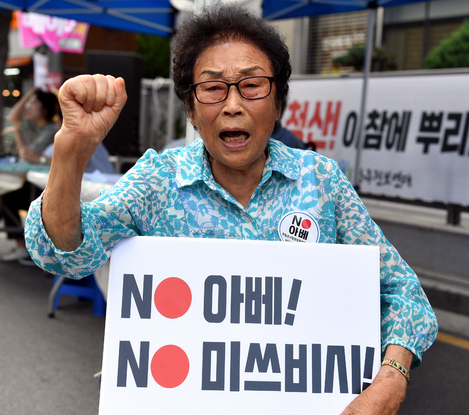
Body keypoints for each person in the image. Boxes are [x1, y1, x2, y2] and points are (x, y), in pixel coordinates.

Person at [24, 4, 437, 414]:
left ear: (278, 105)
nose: (233, 105)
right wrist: (72, 148)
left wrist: (392, 376)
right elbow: (66, 253)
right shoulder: (157, 179)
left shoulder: (321, 181)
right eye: (213, 87)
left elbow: (403, 292)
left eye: (252, 85)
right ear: (191, 108)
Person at [0, 88, 59, 263]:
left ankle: (23, 247)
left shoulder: (51, 131)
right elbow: (13, 118)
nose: (29, 106)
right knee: (7, 196)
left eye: (34, 103)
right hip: (37, 183)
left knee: (8, 198)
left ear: (45, 110)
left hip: (44, 188)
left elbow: (27, 155)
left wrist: (17, 133)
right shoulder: (37, 125)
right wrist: (28, 94)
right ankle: (23, 246)